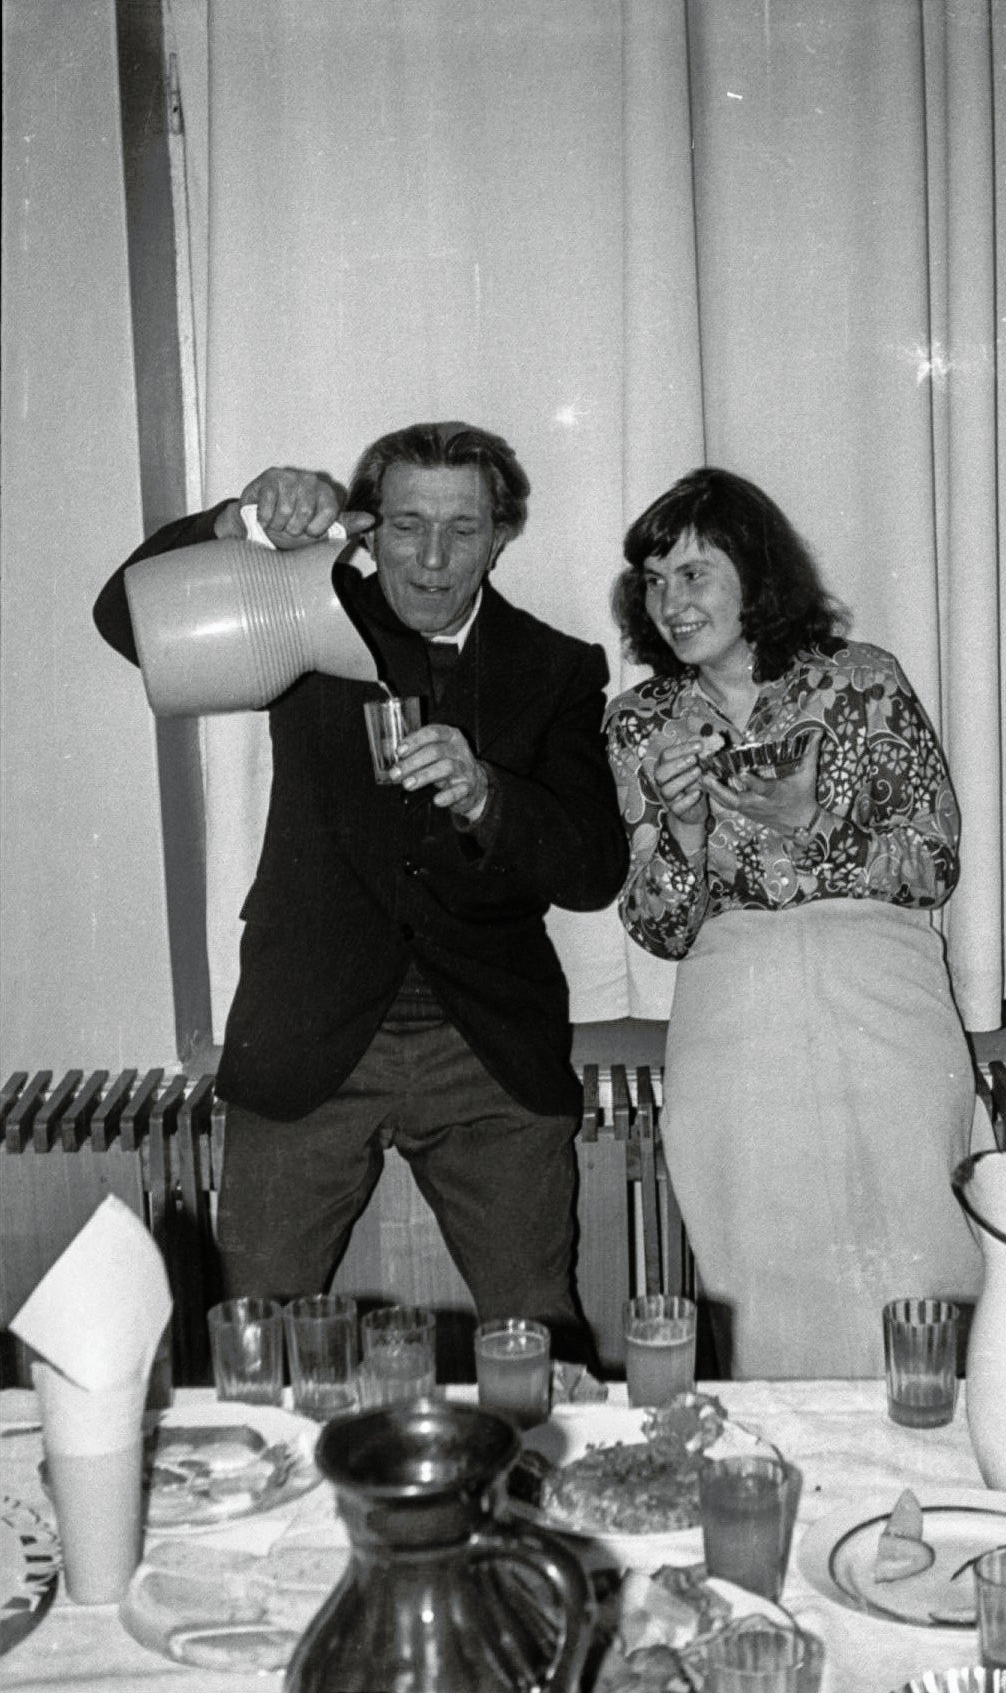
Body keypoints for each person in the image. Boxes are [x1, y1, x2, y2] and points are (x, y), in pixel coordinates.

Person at [94, 420, 629, 1365]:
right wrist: (238, 520)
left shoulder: (556, 667)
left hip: (489, 1048)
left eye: (463, 529)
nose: (433, 558)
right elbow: (123, 618)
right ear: (369, 529)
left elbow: (593, 872)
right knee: (252, 1344)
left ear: (502, 537)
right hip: (308, 1033)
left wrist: (489, 795)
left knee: (538, 1344)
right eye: (409, 525)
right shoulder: (306, 610)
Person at [605, 467, 982, 1378]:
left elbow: (933, 861)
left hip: (883, 994)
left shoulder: (861, 682)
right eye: (654, 581)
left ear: (756, 572)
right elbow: (658, 928)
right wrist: (684, 832)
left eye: (694, 573)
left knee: (923, 1258)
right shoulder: (640, 723)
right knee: (759, 1272)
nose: (671, 603)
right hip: (734, 1013)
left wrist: (811, 824)